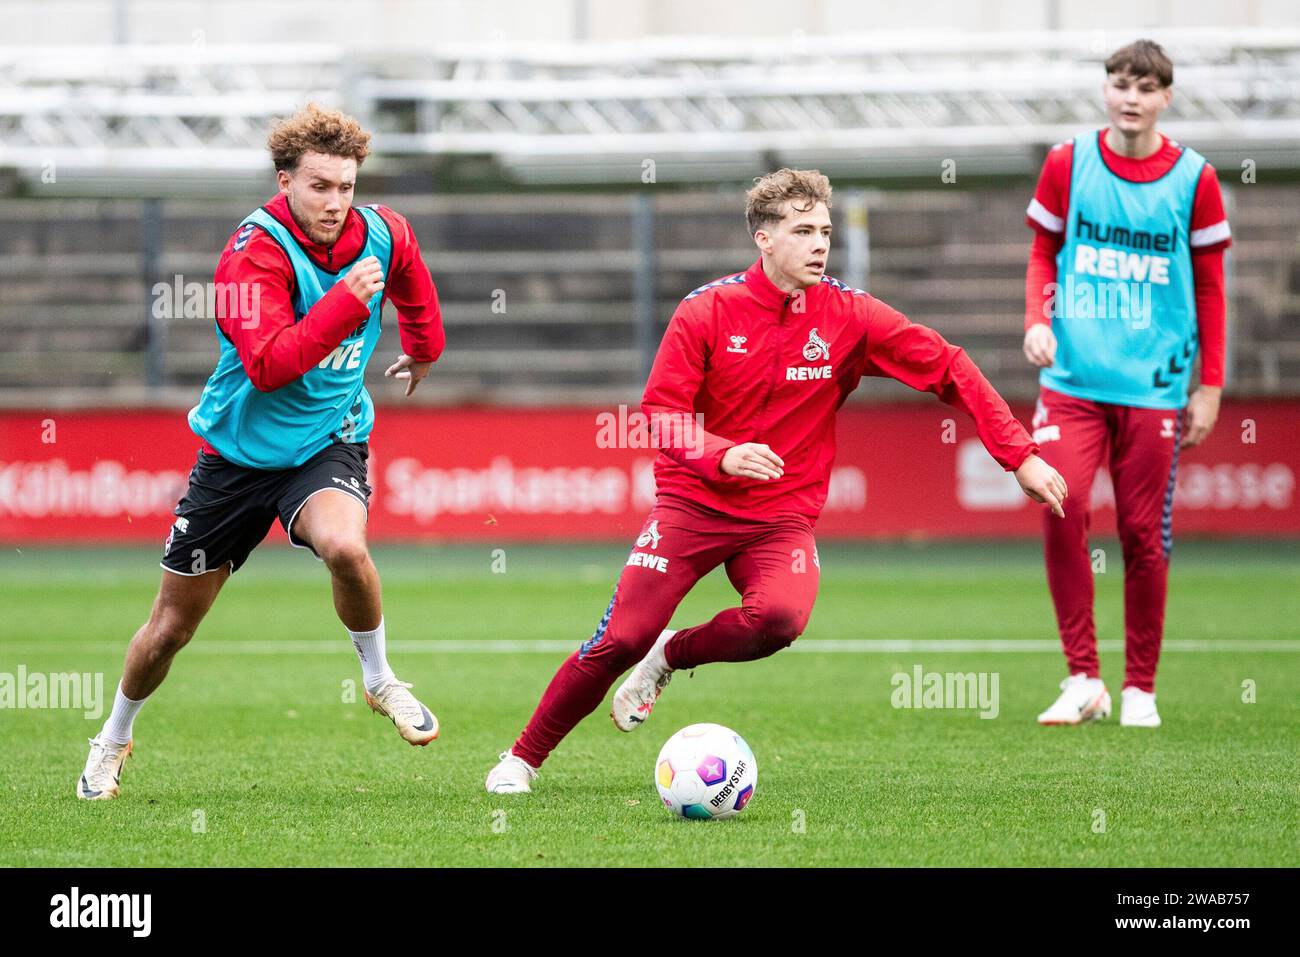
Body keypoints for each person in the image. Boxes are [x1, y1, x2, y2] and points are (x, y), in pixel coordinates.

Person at [486, 168, 1067, 793]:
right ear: (763, 239)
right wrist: (720, 455)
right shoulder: (706, 310)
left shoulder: (851, 316)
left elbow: (949, 368)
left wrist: (1020, 455)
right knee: (622, 636)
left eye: (825, 230)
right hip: (694, 504)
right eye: (802, 231)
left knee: (780, 620)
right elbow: (660, 413)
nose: (820, 243)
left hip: (781, 516)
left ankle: (673, 654)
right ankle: (521, 759)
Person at [77, 104, 446, 800]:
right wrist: (342, 303)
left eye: (346, 186)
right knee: (169, 629)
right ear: (286, 182)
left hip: (328, 441)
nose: (336, 201)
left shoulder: (385, 231)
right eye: (320, 187)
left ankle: (379, 679)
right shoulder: (253, 252)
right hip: (238, 457)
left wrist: (425, 349)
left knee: (345, 546)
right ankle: (114, 736)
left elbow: (415, 288)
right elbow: (272, 364)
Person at [1022, 40, 1231, 728]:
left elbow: (1209, 283)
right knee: (1062, 502)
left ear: (1165, 97)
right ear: (1106, 90)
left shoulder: (1195, 178)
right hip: (1072, 377)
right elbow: (1042, 249)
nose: (1130, 96)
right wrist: (1037, 318)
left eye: (1145, 86)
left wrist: (1212, 384)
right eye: (1119, 83)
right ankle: (1083, 677)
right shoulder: (1067, 162)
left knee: (1143, 532)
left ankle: (1140, 686)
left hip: (1154, 385)